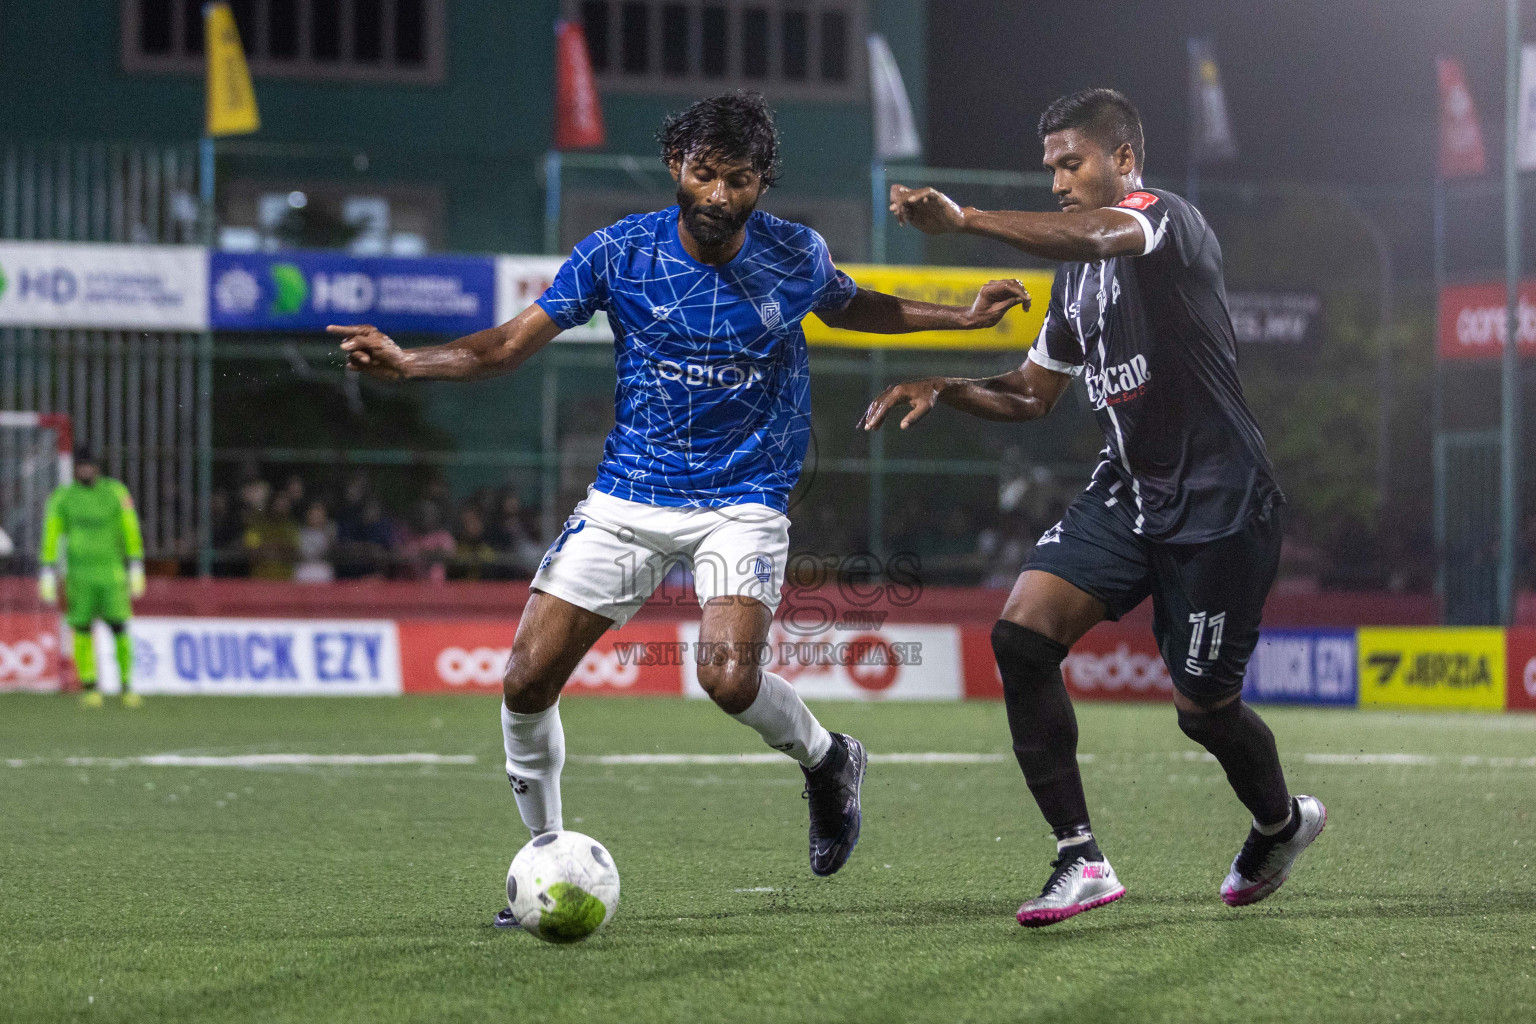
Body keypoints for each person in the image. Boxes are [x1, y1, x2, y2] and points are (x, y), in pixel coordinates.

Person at [330, 91, 1028, 924]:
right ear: (676, 167)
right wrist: (409, 363)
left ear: (763, 182)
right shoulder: (617, 254)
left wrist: (960, 317)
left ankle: (827, 759)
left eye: (738, 179)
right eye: (703, 173)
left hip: (744, 497)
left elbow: (855, 306)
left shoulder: (793, 254)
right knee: (524, 680)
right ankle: (544, 856)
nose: (718, 196)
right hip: (630, 495)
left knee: (726, 677)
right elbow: (506, 345)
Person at [864, 88, 1324, 926]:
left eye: (1071, 163)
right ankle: (1080, 857)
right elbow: (1033, 396)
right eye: (1051, 167)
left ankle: (1281, 823)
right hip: (1129, 490)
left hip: (1221, 502)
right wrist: (949, 385)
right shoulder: (1074, 280)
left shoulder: (1163, 221)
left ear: (1122, 160)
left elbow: (1102, 229)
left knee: (1202, 711)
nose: (1058, 181)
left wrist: (965, 219)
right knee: (1021, 634)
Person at [38, 449, 148, 708]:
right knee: (82, 629)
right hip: (79, 575)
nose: (85, 470)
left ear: (97, 468)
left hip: (111, 573)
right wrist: (47, 567)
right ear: (75, 469)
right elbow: (51, 532)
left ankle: (126, 686)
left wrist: (136, 563)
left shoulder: (115, 493)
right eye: (81, 466)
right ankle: (90, 686)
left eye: (89, 465)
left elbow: (129, 527)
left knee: (119, 627)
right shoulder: (63, 497)